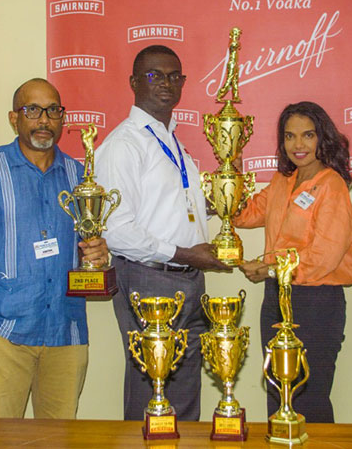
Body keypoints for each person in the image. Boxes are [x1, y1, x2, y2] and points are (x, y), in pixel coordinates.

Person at [0, 78, 109, 419]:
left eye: (52, 111)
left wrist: (96, 256)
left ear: (62, 119)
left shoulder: (81, 177)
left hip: (66, 332)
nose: (44, 120)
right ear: (13, 118)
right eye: (32, 110)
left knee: (58, 441)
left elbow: (84, 246)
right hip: (2, 333)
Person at [94, 45, 229, 421]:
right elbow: (117, 231)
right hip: (149, 279)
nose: (166, 84)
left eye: (174, 76)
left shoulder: (173, 141)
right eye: (154, 75)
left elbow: (168, 207)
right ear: (134, 82)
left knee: (184, 389)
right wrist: (188, 255)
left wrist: (220, 205)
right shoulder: (124, 144)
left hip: (188, 278)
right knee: (150, 389)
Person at [236, 101, 352, 423]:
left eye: (308, 135)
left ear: (323, 138)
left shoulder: (332, 185)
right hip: (276, 298)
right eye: (290, 137)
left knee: (310, 395)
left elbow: (324, 258)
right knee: (279, 392)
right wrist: (231, 174)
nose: (298, 145)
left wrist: (270, 268)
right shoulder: (283, 180)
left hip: (316, 302)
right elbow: (245, 215)